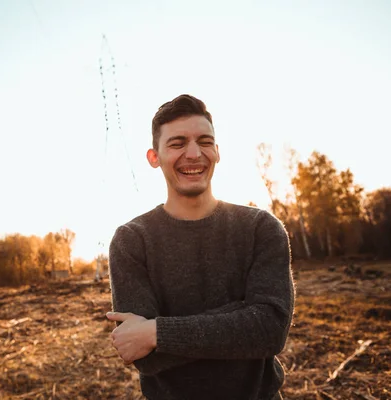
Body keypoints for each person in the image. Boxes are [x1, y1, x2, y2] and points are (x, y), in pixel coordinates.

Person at [105, 94, 295, 400]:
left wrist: (157, 332)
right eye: (177, 143)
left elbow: (269, 330)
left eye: (204, 141)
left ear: (217, 152)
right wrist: (244, 316)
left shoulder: (261, 228)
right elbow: (144, 356)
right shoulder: (131, 240)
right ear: (154, 157)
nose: (194, 154)